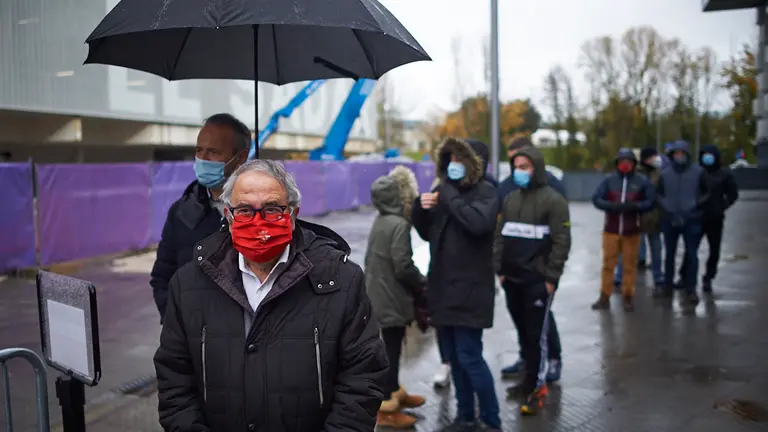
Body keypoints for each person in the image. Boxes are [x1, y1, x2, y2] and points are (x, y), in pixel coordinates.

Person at [154, 160, 389, 432]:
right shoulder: (189, 284)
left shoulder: (341, 280)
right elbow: (174, 382)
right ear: (229, 216)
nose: (258, 222)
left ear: (292, 214)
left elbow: (362, 380)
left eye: (272, 209)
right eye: (245, 211)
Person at [412, 137, 501, 432]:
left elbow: (479, 224)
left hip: (470, 290)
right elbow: (429, 233)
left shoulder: (487, 191)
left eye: (459, 159)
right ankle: (465, 417)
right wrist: (420, 209)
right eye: (449, 159)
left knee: (469, 357)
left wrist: (448, 196)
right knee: (455, 359)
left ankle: (491, 420)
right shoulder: (444, 191)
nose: (453, 165)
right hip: (442, 289)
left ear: (474, 163)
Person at [493, 146, 571, 416]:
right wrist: (500, 270)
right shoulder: (511, 199)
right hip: (512, 279)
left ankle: (537, 389)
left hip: (537, 281)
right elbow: (500, 236)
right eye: (516, 166)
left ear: (536, 168)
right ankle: (527, 382)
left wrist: (551, 278)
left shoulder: (553, 200)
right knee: (523, 333)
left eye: (524, 166)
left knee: (536, 336)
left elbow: (562, 242)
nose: (519, 171)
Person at [150, 113, 249, 322]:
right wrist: (177, 325)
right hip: (195, 335)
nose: (203, 159)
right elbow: (162, 278)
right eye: (199, 150)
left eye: (213, 152)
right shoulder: (181, 213)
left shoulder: (262, 211)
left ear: (240, 157)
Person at [365, 165, 429, 429]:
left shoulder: (381, 219)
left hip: (378, 293)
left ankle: (394, 393)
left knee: (390, 346)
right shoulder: (400, 224)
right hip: (392, 294)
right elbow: (403, 266)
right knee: (391, 350)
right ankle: (386, 408)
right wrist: (422, 281)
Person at [591, 149, 655, 312]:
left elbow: (650, 201)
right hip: (611, 230)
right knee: (608, 265)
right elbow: (596, 199)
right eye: (622, 161)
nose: (625, 164)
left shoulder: (641, 181)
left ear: (634, 164)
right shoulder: (609, 180)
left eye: (629, 161)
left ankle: (628, 297)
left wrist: (635, 206)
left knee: (629, 266)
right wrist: (612, 206)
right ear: (617, 163)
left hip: (632, 231)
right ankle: (604, 296)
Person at [677, 145, 738, 294]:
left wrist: (723, 205)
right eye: (705, 155)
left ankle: (709, 277)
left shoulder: (724, 174)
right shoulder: (696, 172)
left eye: (710, 155)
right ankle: (684, 276)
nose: (708, 158)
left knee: (714, 249)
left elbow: (733, 194)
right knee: (691, 249)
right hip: (697, 216)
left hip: (715, 218)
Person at [657, 140, 710, 306]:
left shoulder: (699, 172)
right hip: (670, 219)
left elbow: (707, 192)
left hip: (691, 219)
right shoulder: (665, 174)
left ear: (687, 154)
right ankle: (667, 286)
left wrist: (696, 205)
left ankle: (691, 289)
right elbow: (658, 194)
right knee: (669, 255)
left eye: (681, 153)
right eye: (676, 153)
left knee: (691, 255)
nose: (679, 156)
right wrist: (666, 206)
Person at [613, 148, 665, 292]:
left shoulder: (660, 173)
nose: (656, 159)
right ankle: (620, 277)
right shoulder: (635, 174)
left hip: (654, 218)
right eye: (652, 157)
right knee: (627, 249)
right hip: (635, 217)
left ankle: (658, 278)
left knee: (656, 249)